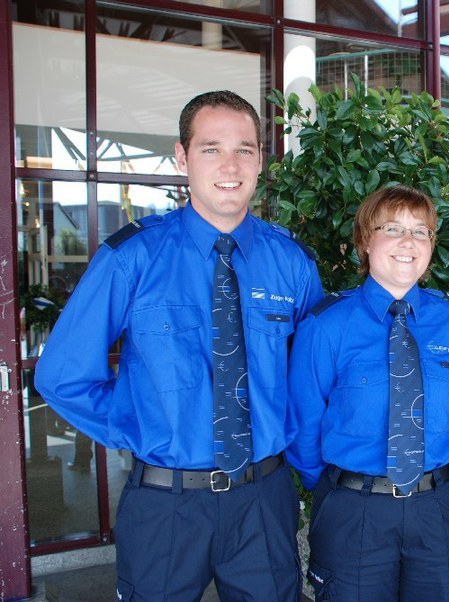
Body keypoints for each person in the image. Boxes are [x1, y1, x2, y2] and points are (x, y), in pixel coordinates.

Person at [35, 90, 324, 601]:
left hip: (263, 500)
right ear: (181, 156)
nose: (230, 165)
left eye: (245, 149)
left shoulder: (293, 264)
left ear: (261, 158)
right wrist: (136, 424)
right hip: (165, 504)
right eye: (211, 148)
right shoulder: (132, 257)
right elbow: (63, 376)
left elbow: (310, 381)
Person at [288, 185, 449, 600]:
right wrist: (342, 486)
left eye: (421, 231)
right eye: (393, 228)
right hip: (355, 510)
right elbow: (304, 421)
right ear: (364, 241)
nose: (408, 242)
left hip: (439, 509)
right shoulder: (327, 324)